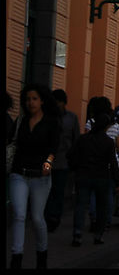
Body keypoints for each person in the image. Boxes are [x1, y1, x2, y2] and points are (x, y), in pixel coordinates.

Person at [8, 83, 59, 270]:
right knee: (19, 215)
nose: (31, 102)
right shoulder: (20, 121)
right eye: (28, 99)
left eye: (34, 99)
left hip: (41, 176)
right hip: (19, 173)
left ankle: (42, 255)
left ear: (42, 100)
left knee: (37, 218)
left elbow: (54, 147)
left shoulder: (51, 122)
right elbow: (11, 143)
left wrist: (49, 161)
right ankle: (16, 257)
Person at [68, 113, 119, 247]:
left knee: (80, 205)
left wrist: (75, 168)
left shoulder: (84, 138)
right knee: (101, 206)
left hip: (83, 175)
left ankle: (77, 233)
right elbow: (113, 162)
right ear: (106, 126)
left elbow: (72, 155)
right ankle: (98, 235)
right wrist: (117, 180)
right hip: (101, 176)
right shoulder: (108, 141)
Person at [84, 97, 119, 234]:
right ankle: (106, 221)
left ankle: (94, 219)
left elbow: (87, 140)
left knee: (94, 194)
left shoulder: (90, 123)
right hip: (111, 165)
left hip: (94, 163)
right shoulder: (115, 125)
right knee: (109, 195)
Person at [44, 89, 79, 233]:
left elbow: (75, 138)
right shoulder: (47, 117)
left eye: (57, 102)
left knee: (58, 191)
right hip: (47, 161)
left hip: (64, 161)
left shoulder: (71, 118)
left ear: (63, 102)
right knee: (46, 190)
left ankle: (54, 217)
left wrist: (74, 159)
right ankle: (46, 217)